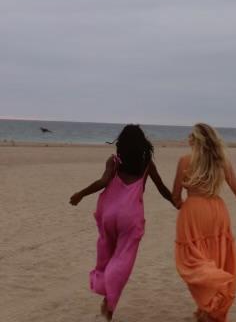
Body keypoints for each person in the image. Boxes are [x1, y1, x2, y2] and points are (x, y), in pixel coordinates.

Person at [70, 124, 175, 320]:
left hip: (109, 214)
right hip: (131, 216)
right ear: (142, 144)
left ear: (122, 143)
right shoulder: (146, 164)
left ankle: (103, 285)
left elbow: (102, 182)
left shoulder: (114, 161)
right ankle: (109, 301)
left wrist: (81, 194)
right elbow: (161, 188)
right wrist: (176, 202)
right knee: (123, 257)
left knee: (106, 250)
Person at [172, 123, 236, 322]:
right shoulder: (221, 161)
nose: (188, 139)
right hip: (217, 212)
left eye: (190, 136)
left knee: (191, 259)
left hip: (193, 213)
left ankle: (217, 285)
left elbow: (176, 195)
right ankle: (206, 310)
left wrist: (181, 204)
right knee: (216, 255)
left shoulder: (185, 161)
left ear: (196, 140)